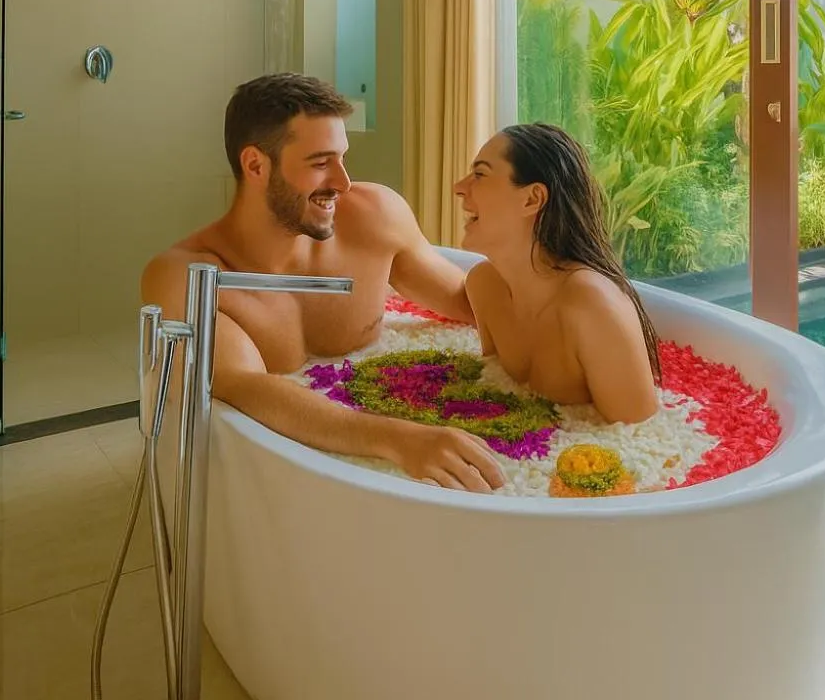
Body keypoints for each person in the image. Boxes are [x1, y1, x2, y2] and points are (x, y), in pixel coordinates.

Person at [140, 72, 506, 492]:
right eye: (320, 163)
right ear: (256, 165)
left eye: (342, 158)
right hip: (286, 484)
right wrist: (400, 439)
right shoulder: (190, 277)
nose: (342, 182)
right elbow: (246, 387)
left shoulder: (375, 217)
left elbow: (470, 303)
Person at [452, 123, 662, 424]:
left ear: (532, 199)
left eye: (480, 174)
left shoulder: (591, 304)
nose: (459, 187)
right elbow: (498, 387)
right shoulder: (484, 286)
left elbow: (640, 438)